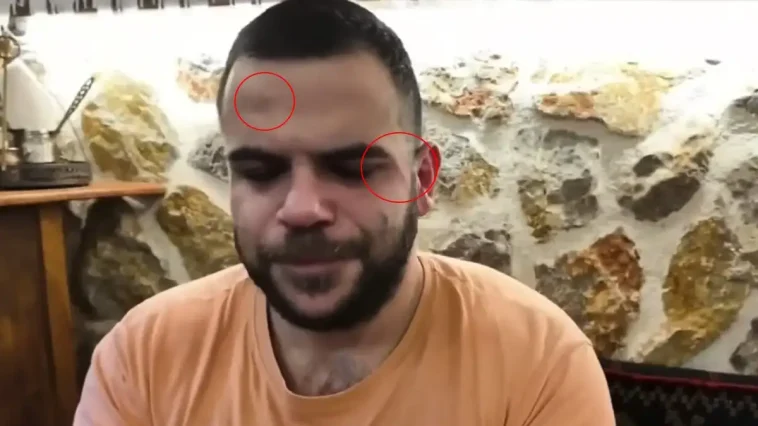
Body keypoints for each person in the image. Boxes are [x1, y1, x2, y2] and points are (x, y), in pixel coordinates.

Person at [74, 0, 616, 425]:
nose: (302, 209)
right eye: (261, 172)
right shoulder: (144, 359)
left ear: (421, 179)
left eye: (353, 168)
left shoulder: (538, 362)